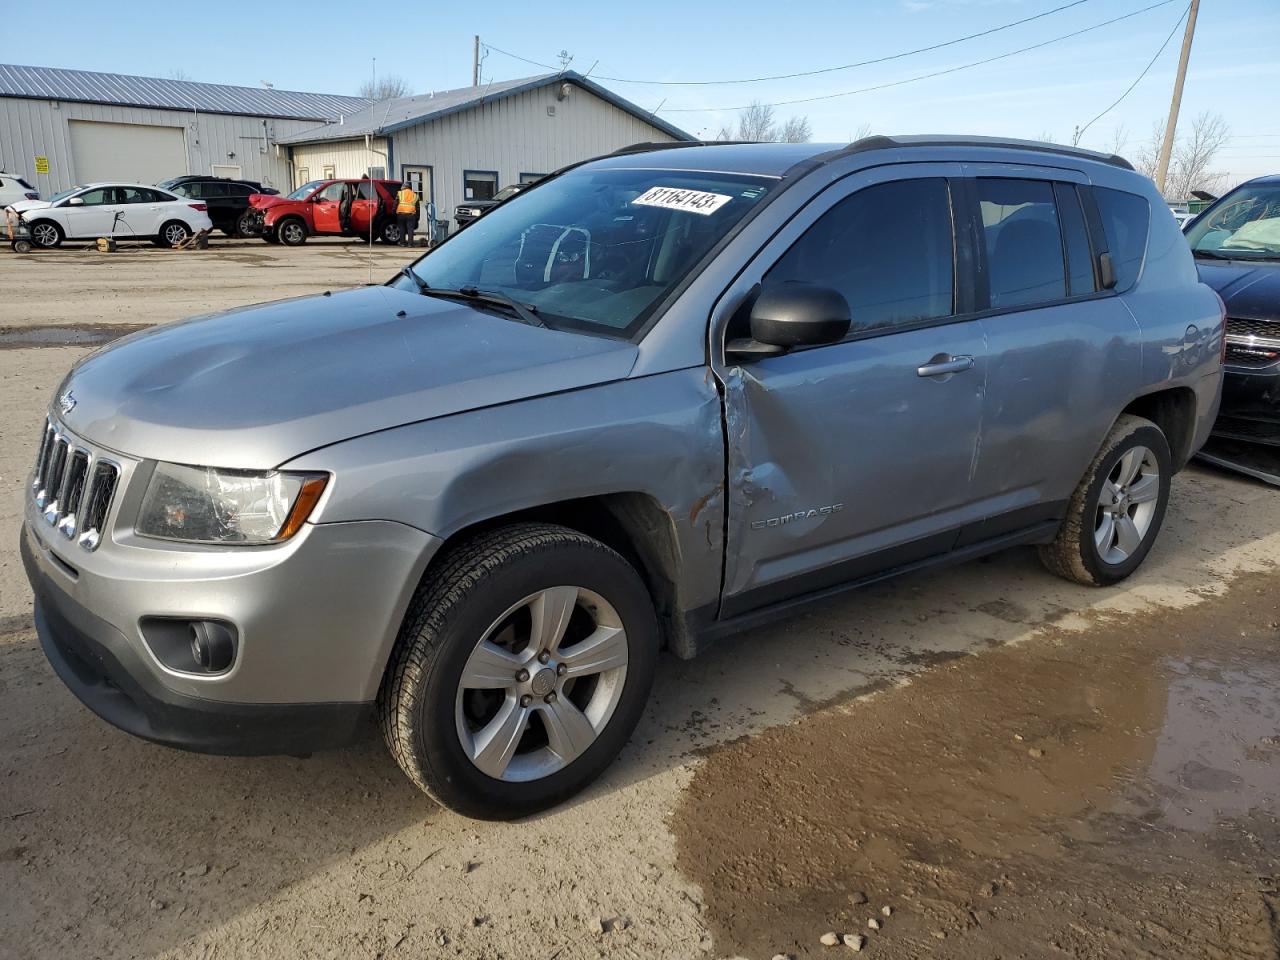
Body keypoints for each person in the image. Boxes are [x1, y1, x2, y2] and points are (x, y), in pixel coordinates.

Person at [396, 181, 418, 246]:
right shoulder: (415, 195)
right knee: (410, 229)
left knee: (402, 229)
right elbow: (417, 207)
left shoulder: (400, 193)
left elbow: (395, 204)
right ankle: (410, 244)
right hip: (411, 214)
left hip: (401, 214)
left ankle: (402, 243)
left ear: (403, 187)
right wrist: (417, 217)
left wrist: (393, 212)